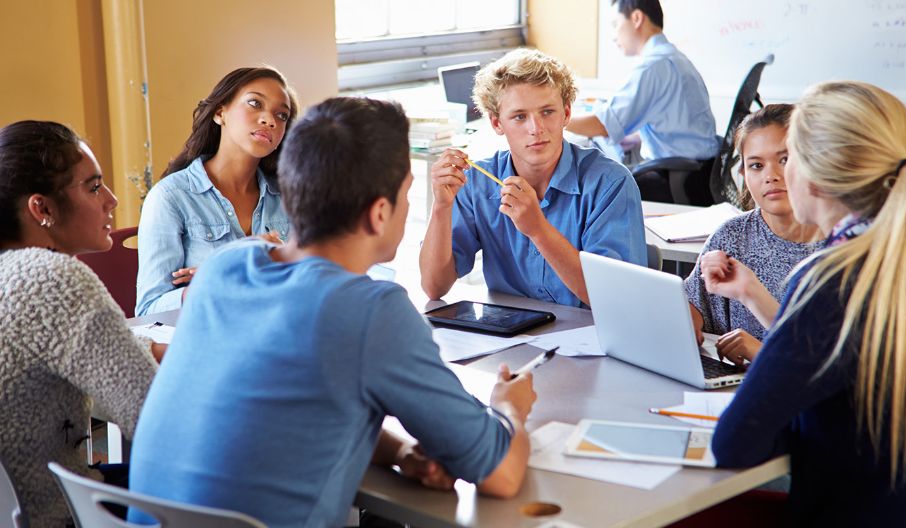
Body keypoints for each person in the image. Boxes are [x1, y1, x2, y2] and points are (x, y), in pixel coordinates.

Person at [128, 97, 536, 527]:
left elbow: (287, 407)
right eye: (405, 192)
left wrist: (398, 451)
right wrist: (509, 408)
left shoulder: (222, 271)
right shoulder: (372, 312)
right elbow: (501, 475)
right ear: (380, 213)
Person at [713, 82, 906, 524]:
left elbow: (734, 443)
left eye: (790, 159)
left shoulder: (830, 278)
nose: (780, 175)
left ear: (817, 176)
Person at [0, 121, 160, 527]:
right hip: (58, 514)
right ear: (42, 208)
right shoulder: (51, 278)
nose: (112, 199)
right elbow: (156, 416)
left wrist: (149, 350)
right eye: (93, 187)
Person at [420, 48, 647, 308]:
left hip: (590, 337)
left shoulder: (609, 183)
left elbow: (615, 300)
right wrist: (441, 206)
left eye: (547, 112)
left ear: (566, 114)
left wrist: (538, 230)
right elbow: (433, 286)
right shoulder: (478, 183)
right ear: (497, 124)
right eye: (519, 117)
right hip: (511, 337)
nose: (536, 129)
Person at [135, 66, 299, 315]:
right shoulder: (170, 197)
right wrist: (216, 277)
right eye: (255, 103)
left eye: (282, 115)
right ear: (220, 113)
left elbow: (313, 280)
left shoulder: (291, 196)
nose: (270, 120)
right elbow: (149, 310)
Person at [684, 104, 821, 363]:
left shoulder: (842, 248)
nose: (771, 176)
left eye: (784, 160)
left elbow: (834, 369)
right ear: (743, 174)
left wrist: (760, 353)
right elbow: (691, 309)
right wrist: (683, 324)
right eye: (756, 165)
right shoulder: (731, 236)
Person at [566, 0, 719, 204]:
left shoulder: (652, 67)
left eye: (615, 24)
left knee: (588, 190)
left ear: (636, 18)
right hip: (699, 175)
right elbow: (675, 122)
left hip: (678, 180)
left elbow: (602, 125)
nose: (614, 36)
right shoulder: (674, 58)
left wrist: (557, 117)